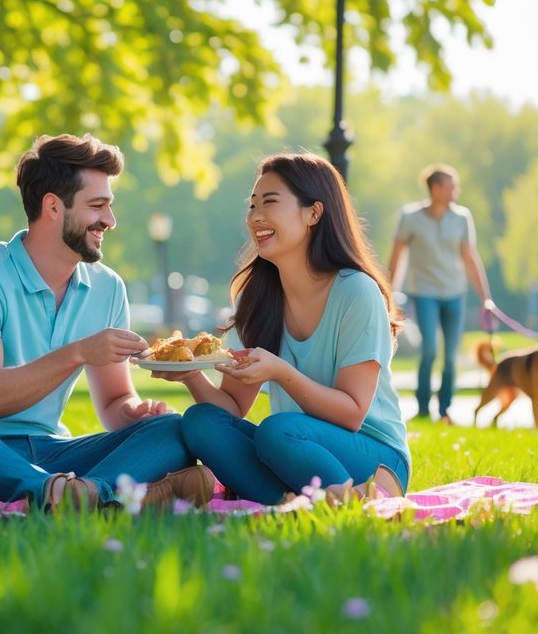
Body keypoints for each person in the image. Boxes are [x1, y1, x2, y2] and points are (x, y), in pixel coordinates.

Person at [0, 133, 214, 511]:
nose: (110, 220)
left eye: (109, 205)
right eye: (97, 205)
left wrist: (133, 412)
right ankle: (108, 496)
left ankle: (82, 497)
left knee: (170, 430)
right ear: (52, 206)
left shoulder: (107, 288)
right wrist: (80, 353)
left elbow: (115, 398)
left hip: (52, 455)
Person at [166, 152, 411, 506]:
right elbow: (232, 406)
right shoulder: (257, 299)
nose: (256, 217)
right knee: (201, 422)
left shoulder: (356, 291)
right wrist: (190, 375)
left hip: (372, 456)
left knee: (278, 431)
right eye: (252, 206)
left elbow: (353, 413)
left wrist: (281, 373)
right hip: (292, 446)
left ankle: (367, 496)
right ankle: (303, 504)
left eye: (269, 203)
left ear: (313, 213)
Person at [387, 163, 493, 423]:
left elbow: (470, 257)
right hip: (423, 292)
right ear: (436, 188)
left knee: (450, 354)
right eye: (451, 185)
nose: (456, 190)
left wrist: (486, 298)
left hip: (454, 293)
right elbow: (397, 255)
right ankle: (423, 407)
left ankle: (445, 409)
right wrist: (388, 293)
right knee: (430, 350)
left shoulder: (461, 217)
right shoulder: (410, 216)